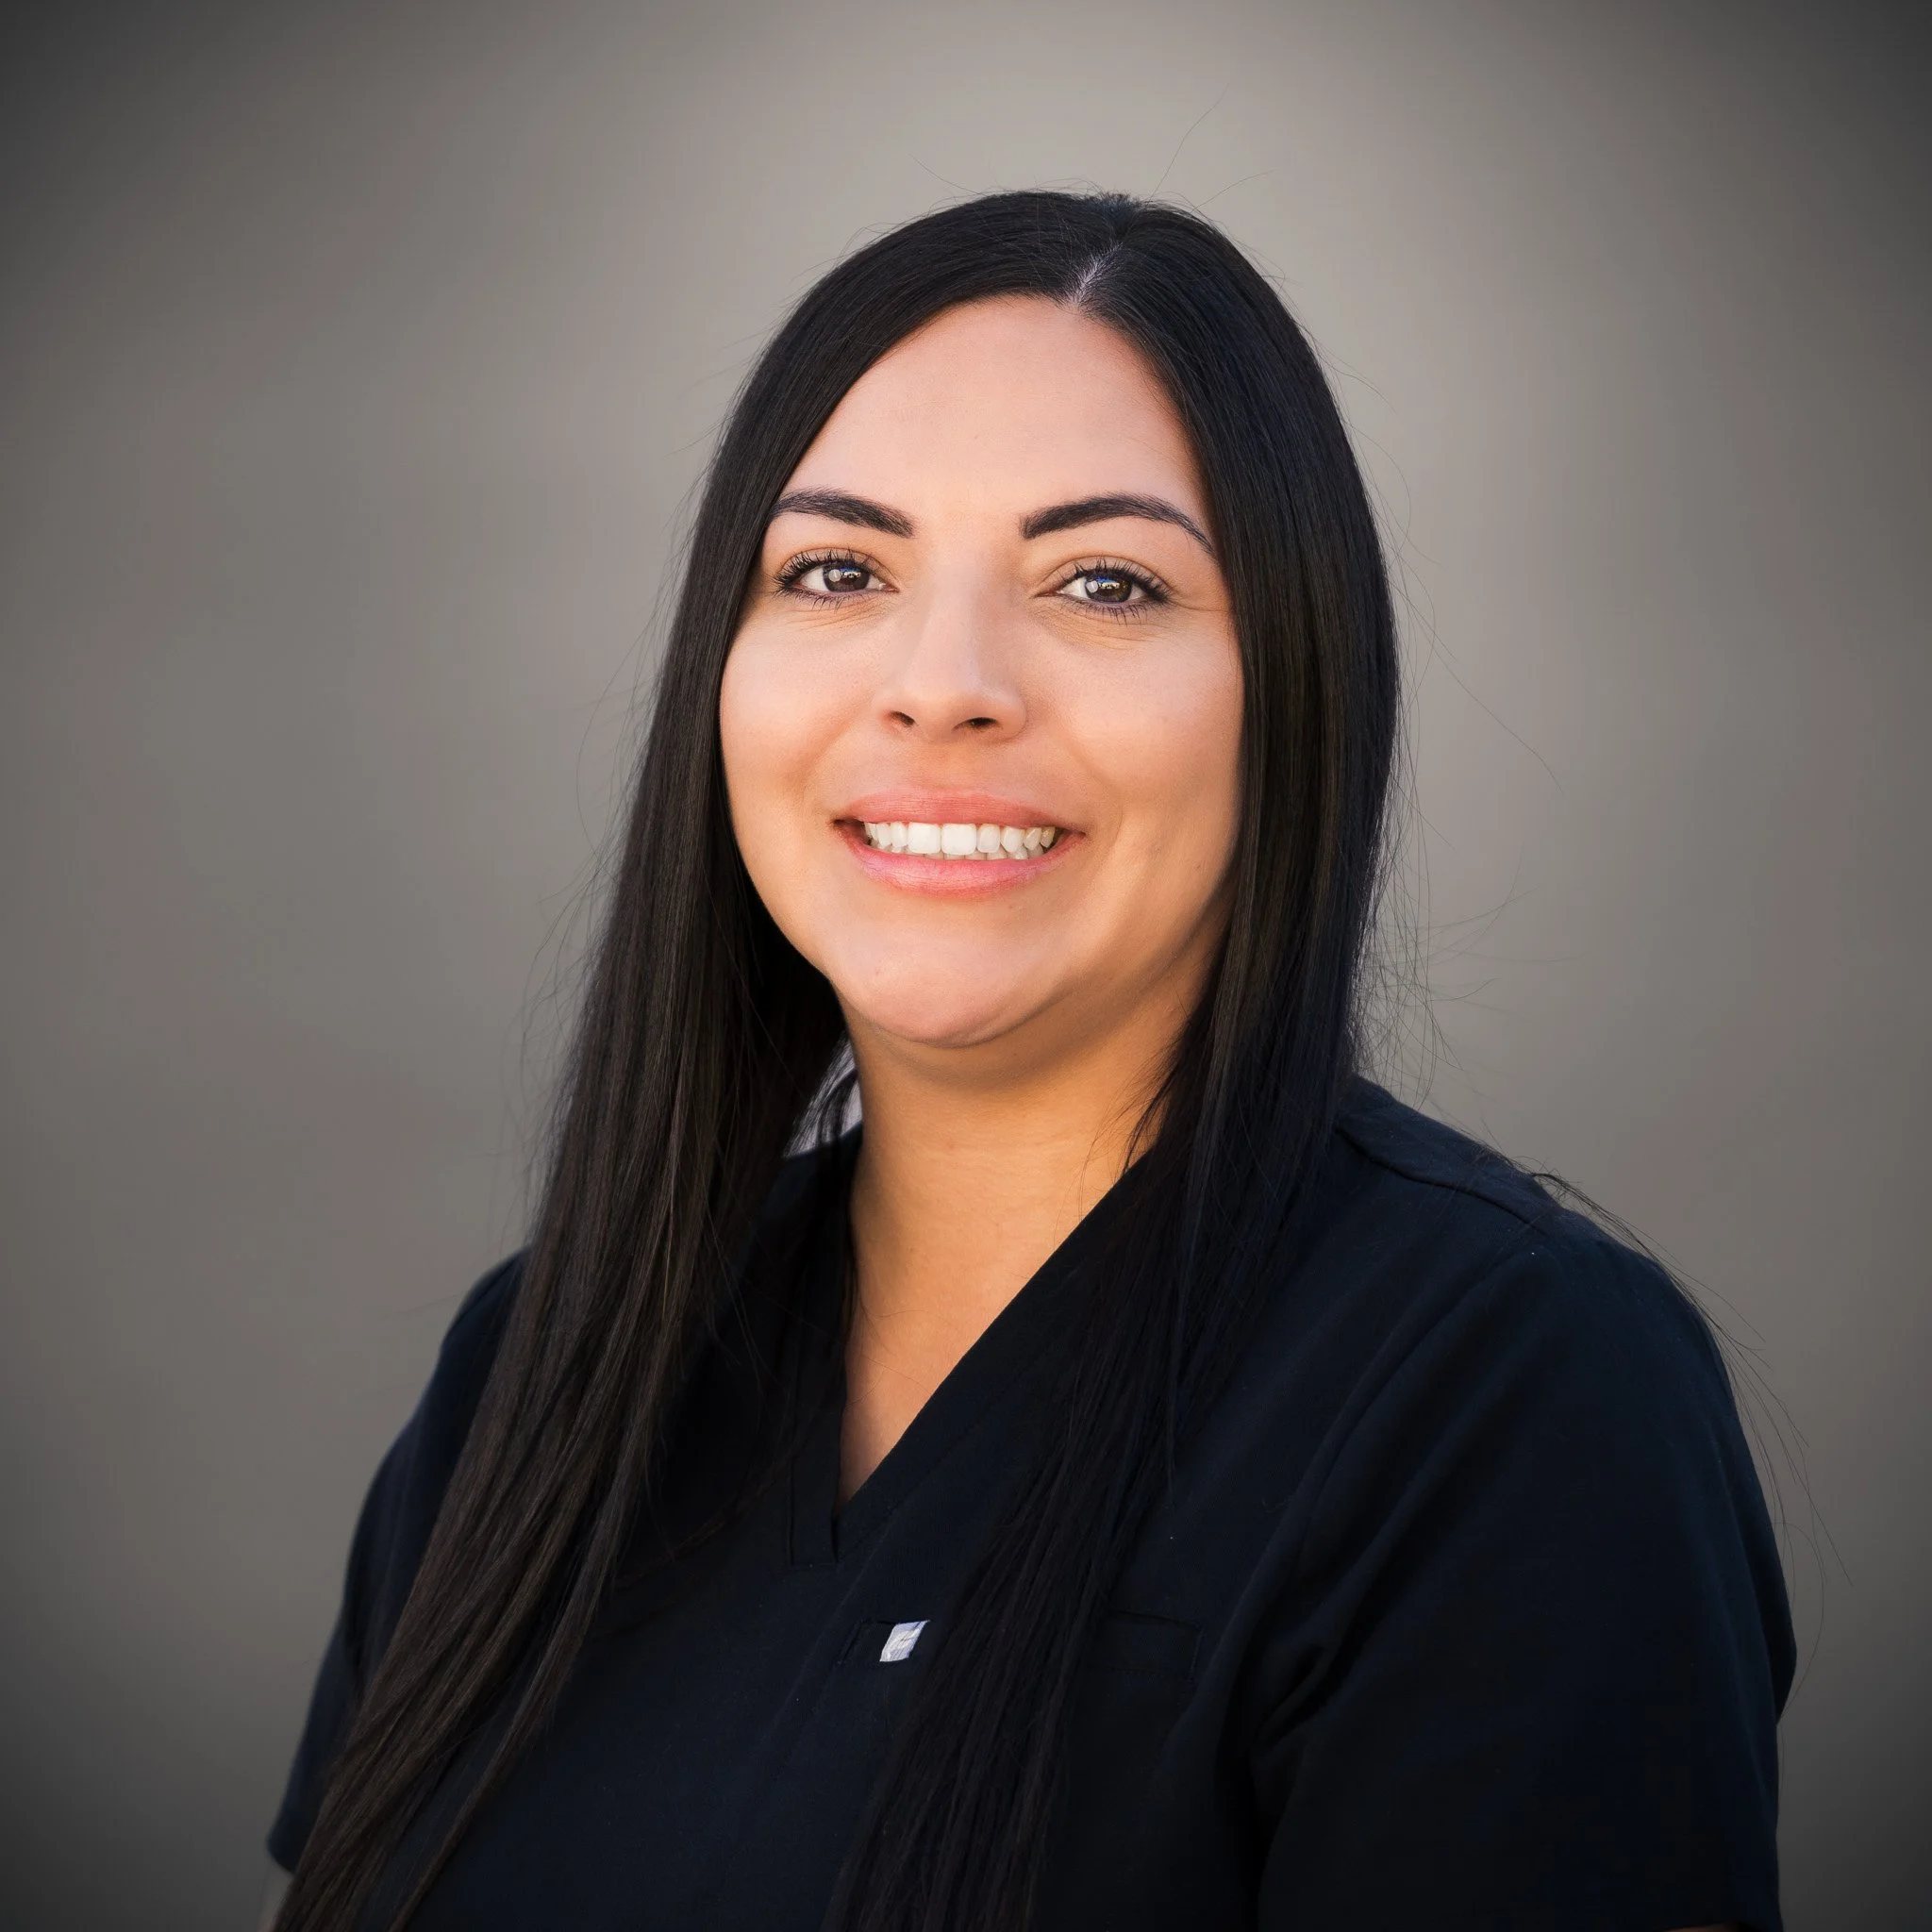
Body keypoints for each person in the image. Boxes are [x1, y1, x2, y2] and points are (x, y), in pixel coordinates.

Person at [262, 192, 1793, 1932]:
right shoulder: (538, 1366)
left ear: (1295, 686)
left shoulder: (1511, 1397)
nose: (944, 685)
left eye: (1104, 583)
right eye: (838, 570)